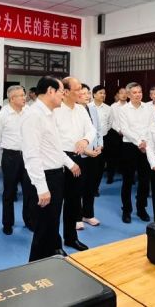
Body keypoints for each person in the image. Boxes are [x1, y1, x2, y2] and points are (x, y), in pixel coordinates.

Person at [22, 76, 80, 261]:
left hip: (56, 175)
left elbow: (54, 147)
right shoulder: (33, 116)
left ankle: (54, 252)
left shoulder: (50, 113)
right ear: (50, 91)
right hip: (44, 177)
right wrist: (42, 187)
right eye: (62, 91)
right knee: (43, 227)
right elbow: (31, 155)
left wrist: (70, 163)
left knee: (53, 222)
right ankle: (35, 266)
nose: (63, 95)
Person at [53, 77, 94, 251]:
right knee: (56, 204)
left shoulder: (81, 109)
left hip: (77, 158)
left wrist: (85, 140)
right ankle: (54, 244)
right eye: (77, 89)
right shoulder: (55, 110)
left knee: (73, 201)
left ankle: (71, 238)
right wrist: (69, 163)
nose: (81, 92)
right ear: (66, 91)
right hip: (59, 160)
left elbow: (91, 129)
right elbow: (52, 142)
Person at [0, 85, 34, 235]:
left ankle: (29, 220)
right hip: (11, 157)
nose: (24, 97)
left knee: (29, 191)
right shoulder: (1, 116)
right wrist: (6, 152)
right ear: (12, 98)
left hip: (28, 156)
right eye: (21, 95)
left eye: (24, 94)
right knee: (9, 192)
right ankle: (7, 223)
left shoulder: (29, 112)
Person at [118, 82, 153, 223]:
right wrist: (139, 142)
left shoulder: (149, 108)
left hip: (146, 145)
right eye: (134, 92)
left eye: (140, 92)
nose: (138, 94)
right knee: (127, 180)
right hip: (129, 146)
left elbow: (151, 126)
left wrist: (145, 141)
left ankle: (141, 208)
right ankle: (126, 210)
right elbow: (125, 129)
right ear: (128, 94)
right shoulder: (123, 110)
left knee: (145, 179)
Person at [81, 84, 103, 226]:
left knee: (91, 186)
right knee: (78, 187)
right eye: (83, 93)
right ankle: (76, 217)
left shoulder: (92, 109)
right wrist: (85, 150)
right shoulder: (74, 111)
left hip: (94, 153)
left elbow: (98, 129)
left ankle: (88, 214)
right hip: (80, 154)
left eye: (88, 93)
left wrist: (100, 145)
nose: (87, 96)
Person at [91, 85, 111, 196]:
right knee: (91, 166)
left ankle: (95, 188)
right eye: (100, 93)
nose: (103, 95)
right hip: (90, 141)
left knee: (100, 166)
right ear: (94, 94)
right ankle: (89, 186)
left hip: (103, 140)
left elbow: (110, 123)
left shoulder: (108, 108)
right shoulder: (88, 107)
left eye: (104, 93)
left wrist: (102, 133)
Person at [105, 87, 127, 184]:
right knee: (112, 157)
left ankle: (128, 177)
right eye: (121, 93)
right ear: (118, 94)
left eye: (126, 93)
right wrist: (118, 130)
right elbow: (111, 121)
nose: (124, 95)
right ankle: (110, 176)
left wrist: (126, 131)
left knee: (126, 157)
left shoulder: (130, 106)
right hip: (115, 134)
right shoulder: (113, 106)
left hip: (128, 134)